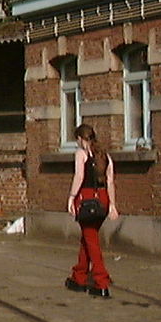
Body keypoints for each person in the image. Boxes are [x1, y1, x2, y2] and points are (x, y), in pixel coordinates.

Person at [66, 122, 119, 297]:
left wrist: (72, 197)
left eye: (77, 140)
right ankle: (79, 276)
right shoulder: (105, 155)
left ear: (81, 139)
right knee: (88, 237)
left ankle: (101, 281)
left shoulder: (81, 153)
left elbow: (79, 176)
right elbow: (110, 181)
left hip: (86, 199)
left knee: (92, 241)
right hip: (102, 198)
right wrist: (112, 204)